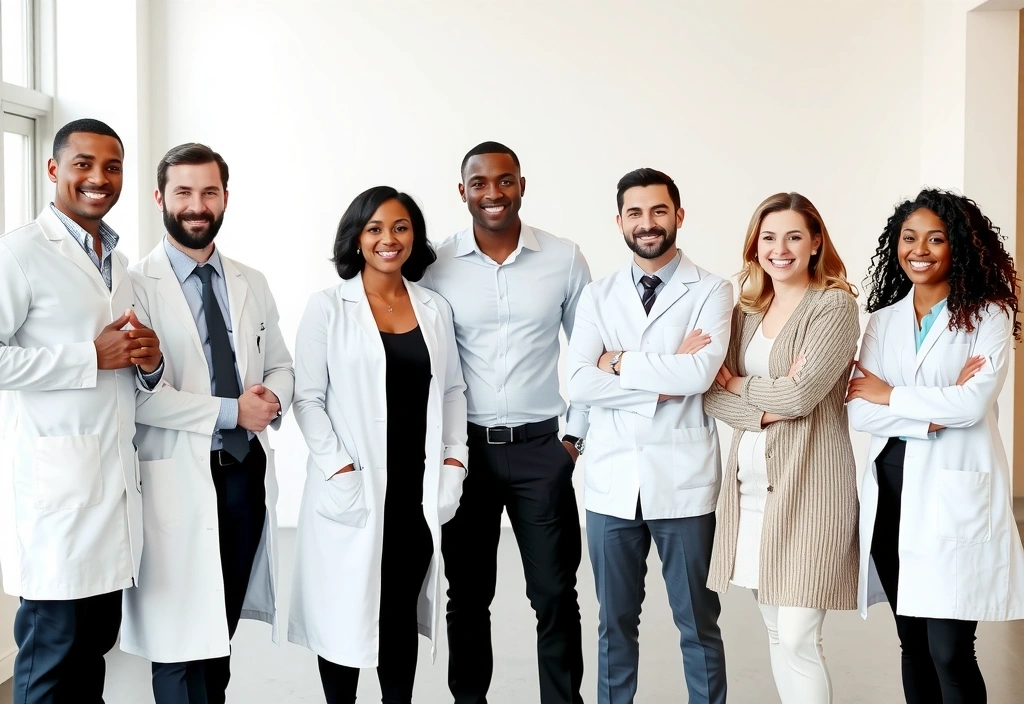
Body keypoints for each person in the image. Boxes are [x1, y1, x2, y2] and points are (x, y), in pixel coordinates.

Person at [120, 143, 294, 704]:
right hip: (175, 478)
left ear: (224, 198)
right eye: (184, 192)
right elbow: (140, 398)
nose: (198, 205)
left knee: (218, 633)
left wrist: (271, 397)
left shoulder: (252, 280)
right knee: (175, 641)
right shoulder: (133, 286)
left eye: (209, 192)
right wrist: (230, 411)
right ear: (160, 198)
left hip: (243, 475)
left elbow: (283, 364)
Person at [0, 118, 163, 703]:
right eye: (83, 164)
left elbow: (129, 368)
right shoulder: (19, 252)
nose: (99, 178)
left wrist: (148, 361)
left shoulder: (118, 262)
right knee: (49, 668)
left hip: (110, 491)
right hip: (57, 503)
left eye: (112, 166)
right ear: (53, 170)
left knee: (91, 661)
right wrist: (87, 358)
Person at [421, 141, 590, 704]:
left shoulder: (564, 259)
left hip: (543, 448)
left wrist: (575, 438)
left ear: (522, 184)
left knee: (555, 593)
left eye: (504, 180)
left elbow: (592, 353)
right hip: (465, 452)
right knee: (467, 596)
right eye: (479, 182)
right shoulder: (436, 266)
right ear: (462, 190)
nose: (492, 193)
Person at [287, 186, 468, 704]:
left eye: (401, 227)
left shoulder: (433, 307)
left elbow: (453, 389)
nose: (389, 240)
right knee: (343, 619)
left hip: (415, 488)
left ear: (415, 236)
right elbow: (307, 400)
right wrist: (340, 468)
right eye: (375, 229)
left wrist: (455, 459)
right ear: (357, 238)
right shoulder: (328, 307)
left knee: (397, 617)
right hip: (355, 488)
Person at [847, 188, 1024, 704]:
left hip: (953, 500)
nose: (919, 249)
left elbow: (971, 407)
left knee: (950, 650)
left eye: (936, 238)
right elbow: (860, 408)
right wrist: (934, 410)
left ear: (959, 248)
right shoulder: (882, 321)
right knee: (912, 644)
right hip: (892, 495)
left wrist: (892, 397)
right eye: (909, 237)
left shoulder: (988, 316)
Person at [566, 168, 731, 704]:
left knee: (697, 623)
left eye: (659, 211)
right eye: (635, 213)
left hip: (683, 486)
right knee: (614, 626)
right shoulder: (597, 295)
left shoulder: (712, 290)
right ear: (619, 222)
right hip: (613, 483)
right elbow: (575, 381)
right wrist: (660, 378)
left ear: (679, 216)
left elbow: (699, 375)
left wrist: (616, 363)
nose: (648, 223)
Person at [703, 192, 860, 704]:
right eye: (769, 237)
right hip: (750, 495)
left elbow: (800, 394)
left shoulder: (833, 305)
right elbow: (709, 394)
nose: (781, 248)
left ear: (816, 242)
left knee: (797, 635)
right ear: (755, 246)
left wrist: (740, 386)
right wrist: (755, 398)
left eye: (794, 236)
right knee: (775, 631)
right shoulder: (747, 310)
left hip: (812, 493)